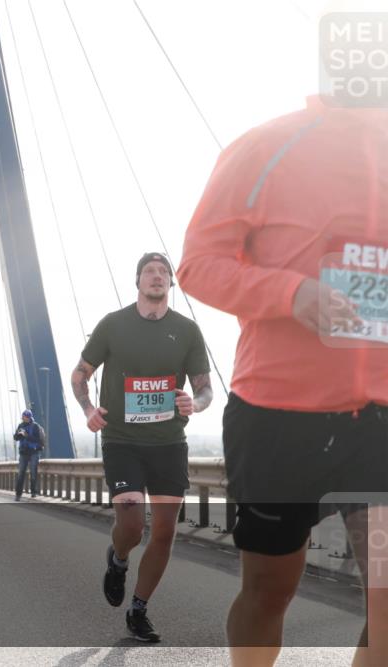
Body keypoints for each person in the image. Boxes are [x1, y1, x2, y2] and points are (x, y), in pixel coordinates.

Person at [177, 94, 387, 666]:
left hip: (380, 422)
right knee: (269, 591)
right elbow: (197, 264)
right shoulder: (267, 145)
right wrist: (291, 294)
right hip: (279, 417)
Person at [70, 252, 212, 643]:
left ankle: (138, 609)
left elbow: (205, 389)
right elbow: (80, 374)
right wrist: (88, 409)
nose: (157, 276)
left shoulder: (187, 331)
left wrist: (195, 404)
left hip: (169, 443)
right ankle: (118, 560)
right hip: (122, 440)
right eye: (149, 271)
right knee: (132, 525)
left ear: (171, 283)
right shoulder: (113, 325)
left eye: (164, 271)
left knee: (164, 532)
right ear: (138, 281)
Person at [13, 410, 44, 500]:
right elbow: (16, 438)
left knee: (33, 472)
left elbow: (37, 440)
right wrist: (18, 434)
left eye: (24, 417)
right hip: (23, 453)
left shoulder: (35, 426)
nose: (23, 418)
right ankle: (18, 494)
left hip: (33, 452)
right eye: (22, 417)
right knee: (21, 473)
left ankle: (33, 492)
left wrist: (27, 435)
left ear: (29, 417)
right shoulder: (21, 425)